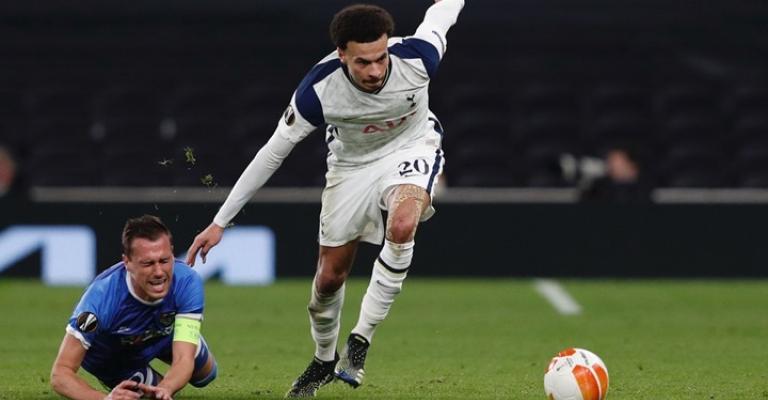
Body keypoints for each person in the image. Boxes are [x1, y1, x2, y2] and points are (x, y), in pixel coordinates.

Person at [186, 0, 464, 397]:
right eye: (362, 62)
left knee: (403, 224)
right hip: (350, 167)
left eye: (380, 58)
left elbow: (443, 13)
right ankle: (322, 360)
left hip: (411, 148)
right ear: (342, 55)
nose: (375, 71)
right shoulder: (318, 91)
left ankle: (360, 340)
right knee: (329, 279)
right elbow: (271, 154)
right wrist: (220, 222)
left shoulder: (418, 58)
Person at [51, 215, 217, 400]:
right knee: (149, 397)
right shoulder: (98, 303)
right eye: (148, 263)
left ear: (172, 253)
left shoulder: (187, 281)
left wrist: (166, 388)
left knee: (206, 374)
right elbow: (60, 374)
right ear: (127, 262)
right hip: (115, 357)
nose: (159, 272)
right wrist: (105, 399)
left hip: (161, 334)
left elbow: (183, 359)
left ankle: (185, 334)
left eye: (164, 260)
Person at [579, 146, 652, 203]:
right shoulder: (601, 187)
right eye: (610, 160)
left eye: (616, 161)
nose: (611, 165)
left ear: (631, 164)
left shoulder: (645, 188)